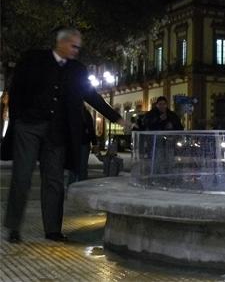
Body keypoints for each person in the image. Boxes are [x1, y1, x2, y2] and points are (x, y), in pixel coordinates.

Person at [2, 27, 129, 244]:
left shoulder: (77, 70)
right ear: (61, 43)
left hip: (57, 131)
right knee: (22, 177)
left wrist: (116, 118)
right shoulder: (33, 59)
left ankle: (53, 229)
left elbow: (91, 95)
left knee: (54, 181)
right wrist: (20, 118)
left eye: (78, 47)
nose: (76, 51)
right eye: (73, 46)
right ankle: (14, 227)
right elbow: (16, 88)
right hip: (29, 127)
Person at [67, 106, 98, 184]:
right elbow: (91, 129)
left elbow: (91, 129)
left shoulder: (72, 112)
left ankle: (72, 185)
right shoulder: (85, 113)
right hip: (83, 142)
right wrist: (94, 143)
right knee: (82, 167)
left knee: (74, 166)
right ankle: (81, 184)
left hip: (75, 143)